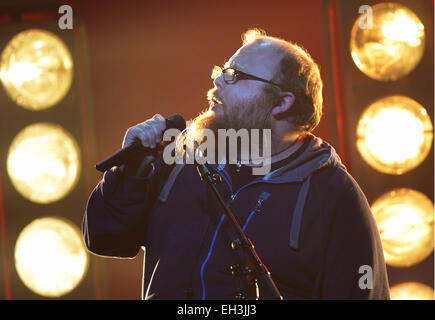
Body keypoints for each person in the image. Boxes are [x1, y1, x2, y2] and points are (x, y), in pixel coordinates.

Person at [83, 29, 390, 300]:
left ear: (282, 103)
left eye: (234, 75)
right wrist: (130, 172)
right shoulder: (178, 157)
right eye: (222, 70)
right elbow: (105, 238)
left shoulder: (333, 194)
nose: (217, 80)